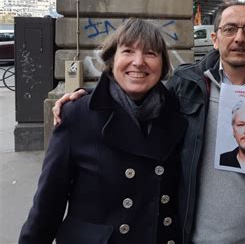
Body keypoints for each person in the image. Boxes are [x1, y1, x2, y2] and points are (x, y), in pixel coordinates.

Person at [53, 0, 245, 244]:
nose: (239, 38)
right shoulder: (186, 83)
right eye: (230, 29)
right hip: (189, 233)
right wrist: (87, 100)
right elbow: (140, 97)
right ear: (215, 39)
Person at [20, 19, 186, 244]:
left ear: (163, 64)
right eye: (127, 51)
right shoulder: (77, 115)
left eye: (150, 54)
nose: (138, 62)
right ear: (112, 60)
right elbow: (48, 204)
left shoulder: (176, 113)